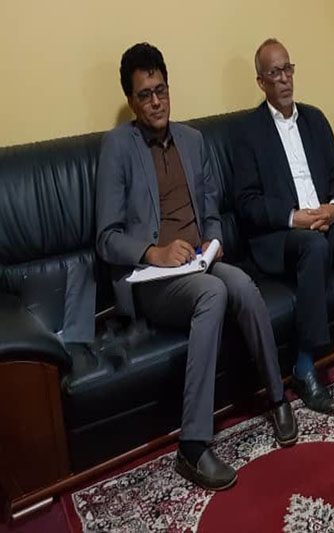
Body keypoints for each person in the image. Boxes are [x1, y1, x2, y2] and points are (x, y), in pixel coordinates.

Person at [96, 43, 298, 491]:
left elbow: (211, 210)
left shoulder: (193, 140)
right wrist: (154, 252)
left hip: (198, 263)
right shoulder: (117, 147)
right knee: (214, 292)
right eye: (145, 95)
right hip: (154, 279)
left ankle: (277, 396)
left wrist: (213, 240)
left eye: (161, 90)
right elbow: (106, 237)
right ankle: (192, 444)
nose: (156, 102)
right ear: (131, 101)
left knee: (241, 284)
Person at [233, 38, 334, 414]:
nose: (284, 79)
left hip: (326, 222)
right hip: (284, 235)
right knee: (313, 245)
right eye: (275, 72)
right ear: (261, 82)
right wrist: (295, 217)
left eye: (288, 69)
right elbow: (247, 202)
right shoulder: (248, 133)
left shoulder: (315, 120)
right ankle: (304, 365)